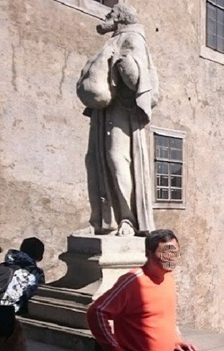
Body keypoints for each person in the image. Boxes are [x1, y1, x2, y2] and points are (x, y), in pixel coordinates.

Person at [76, 4, 159, 237]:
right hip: (104, 113)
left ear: (121, 18)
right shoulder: (113, 40)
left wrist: (126, 67)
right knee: (95, 161)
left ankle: (128, 220)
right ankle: (102, 221)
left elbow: (145, 85)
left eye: (111, 14)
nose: (107, 16)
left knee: (117, 159)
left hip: (124, 112)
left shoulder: (133, 38)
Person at [0, 237, 45, 314]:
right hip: (14, 315)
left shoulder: (2, 266)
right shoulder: (36, 273)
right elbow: (36, 296)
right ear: (39, 256)